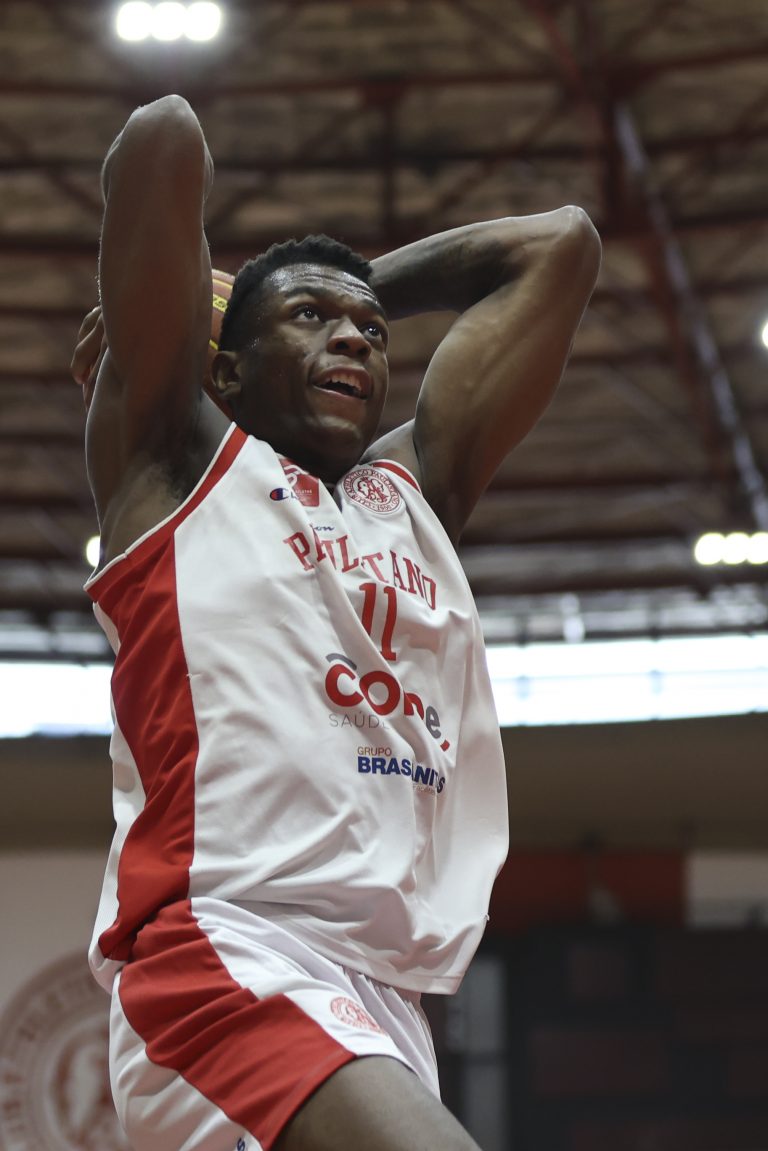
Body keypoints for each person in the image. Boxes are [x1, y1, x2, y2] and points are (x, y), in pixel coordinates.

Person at [71, 94, 600, 1151]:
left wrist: (339, 287)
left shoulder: (410, 495)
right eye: (314, 320)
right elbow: (164, 136)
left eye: (370, 330)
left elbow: (561, 246)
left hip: (383, 994)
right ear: (225, 364)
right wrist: (239, 300)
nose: (355, 334)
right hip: (226, 952)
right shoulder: (175, 463)